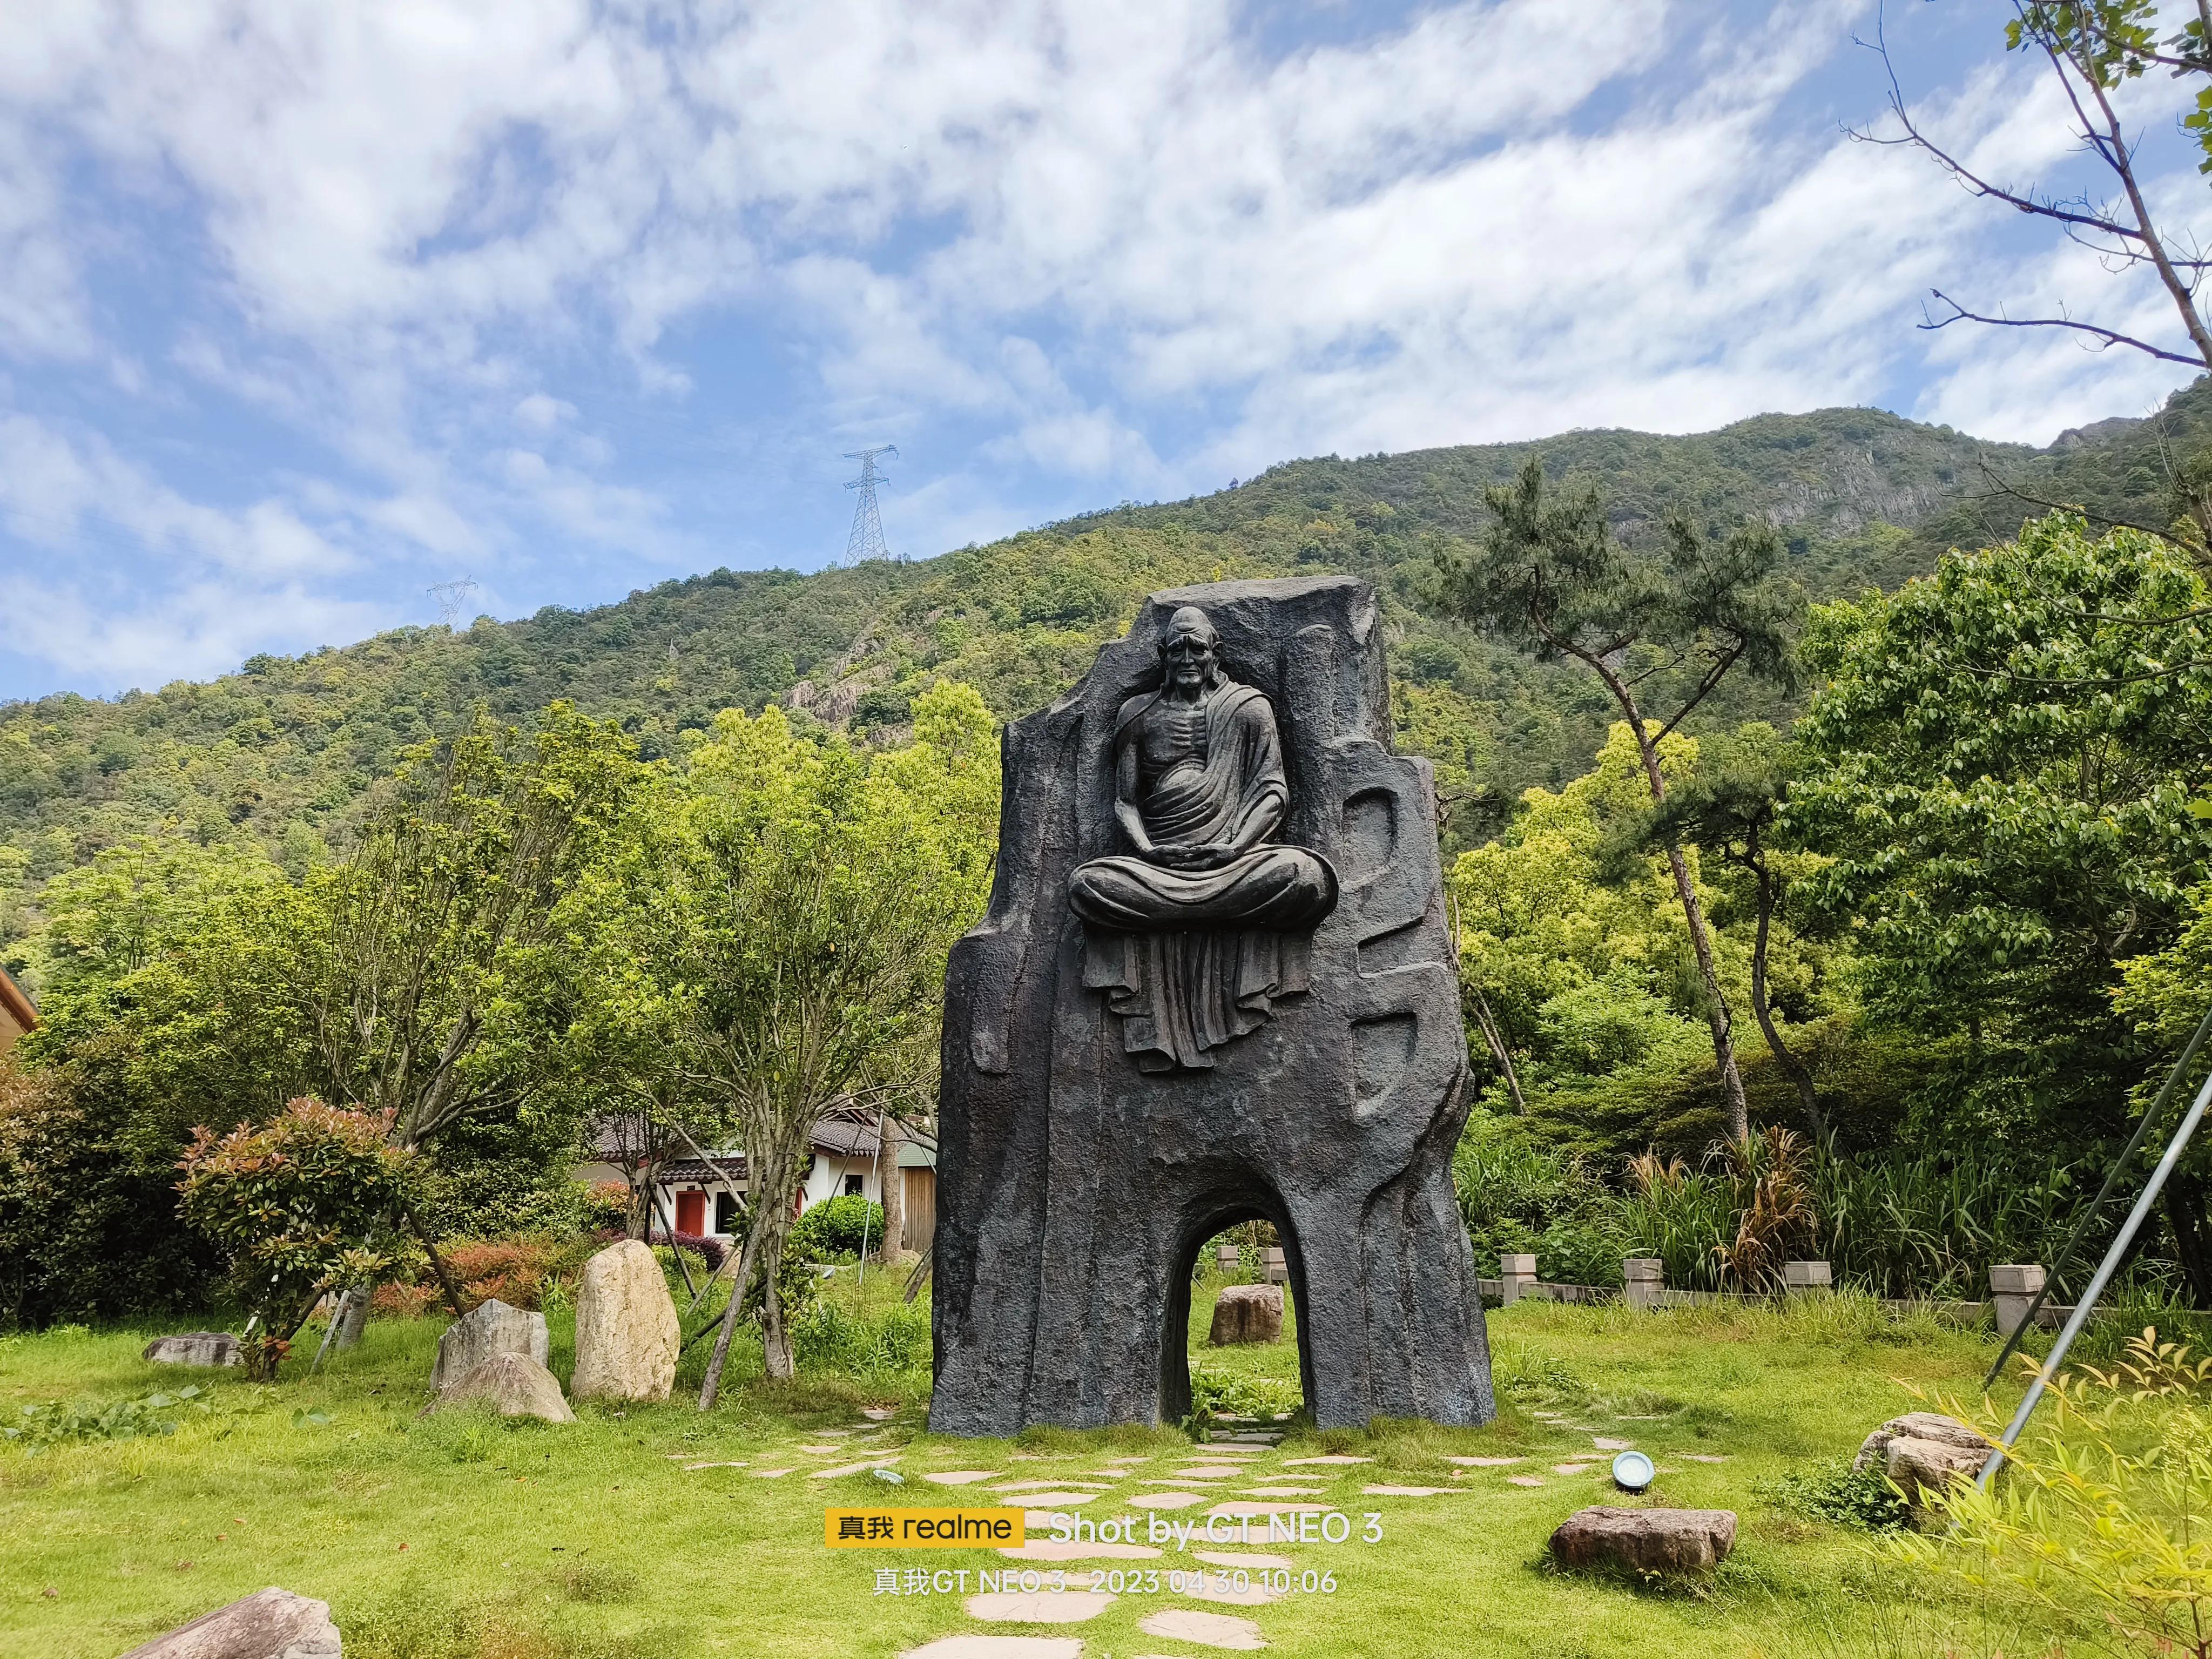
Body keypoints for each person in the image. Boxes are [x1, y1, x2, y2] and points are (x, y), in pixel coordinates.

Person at [1069, 606, 1336, 1070]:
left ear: (1217, 652)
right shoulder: (1138, 714)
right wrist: (1149, 850)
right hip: (1157, 867)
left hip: (1234, 861)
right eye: (1178, 649)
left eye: (1197, 648)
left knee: (1304, 877)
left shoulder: (1250, 709)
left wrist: (1234, 848)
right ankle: (1200, 908)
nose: (1188, 658)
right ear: (1162, 655)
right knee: (1086, 886)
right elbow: (1126, 804)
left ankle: (1181, 911)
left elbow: (1273, 793)